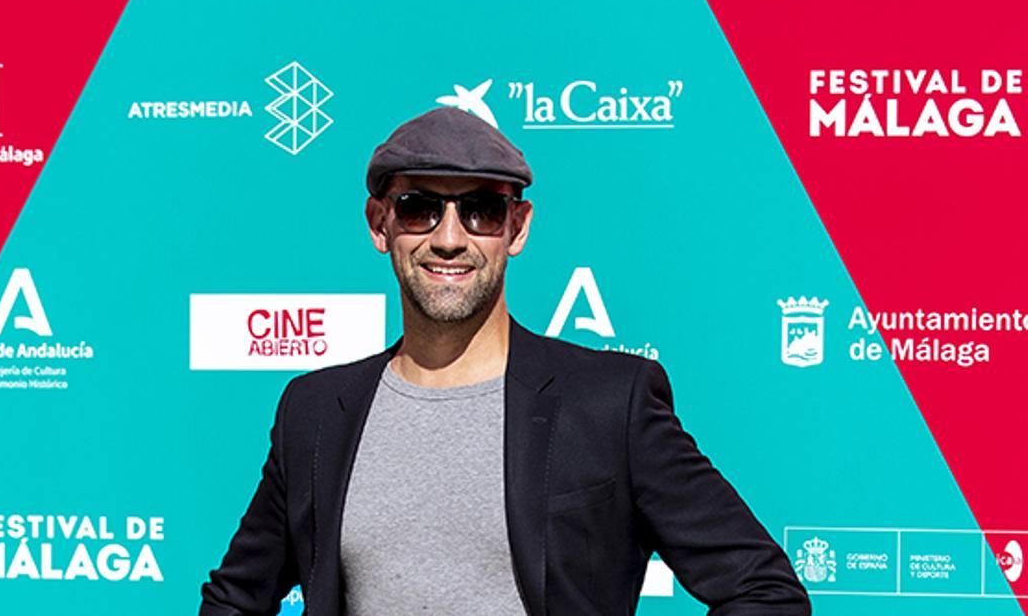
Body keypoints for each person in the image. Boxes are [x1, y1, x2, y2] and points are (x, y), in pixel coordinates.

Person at [199, 106, 811, 615]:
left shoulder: (608, 404)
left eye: (481, 210)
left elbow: (764, 591)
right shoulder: (314, 412)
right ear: (379, 224)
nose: (448, 236)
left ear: (516, 229)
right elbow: (234, 600)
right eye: (419, 207)